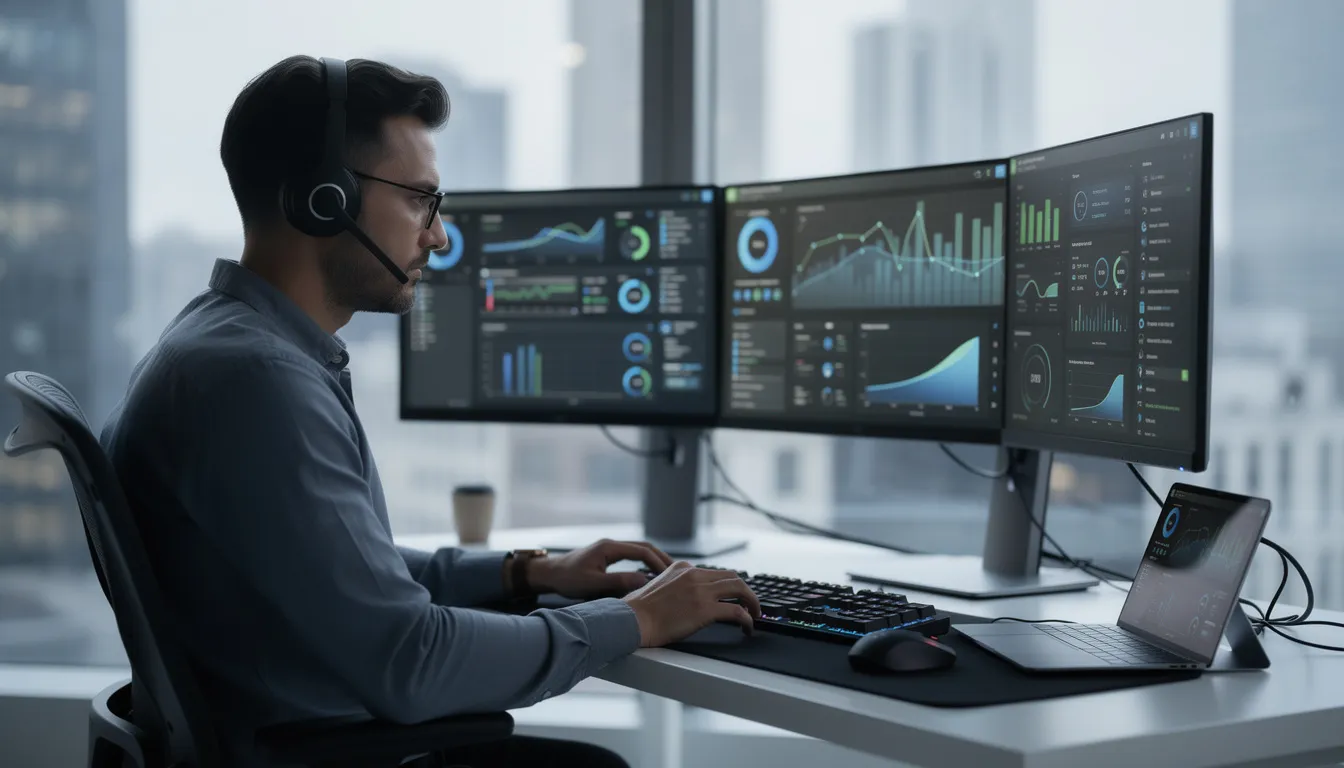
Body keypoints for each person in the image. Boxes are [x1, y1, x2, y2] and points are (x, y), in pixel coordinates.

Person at [99, 55, 761, 768]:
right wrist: (640, 616)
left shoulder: (219, 350)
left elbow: (349, 569)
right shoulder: (257, 382)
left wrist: (527, 573)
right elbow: (412, 662)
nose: (438, 237)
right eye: (420, 199)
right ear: (324, 201)